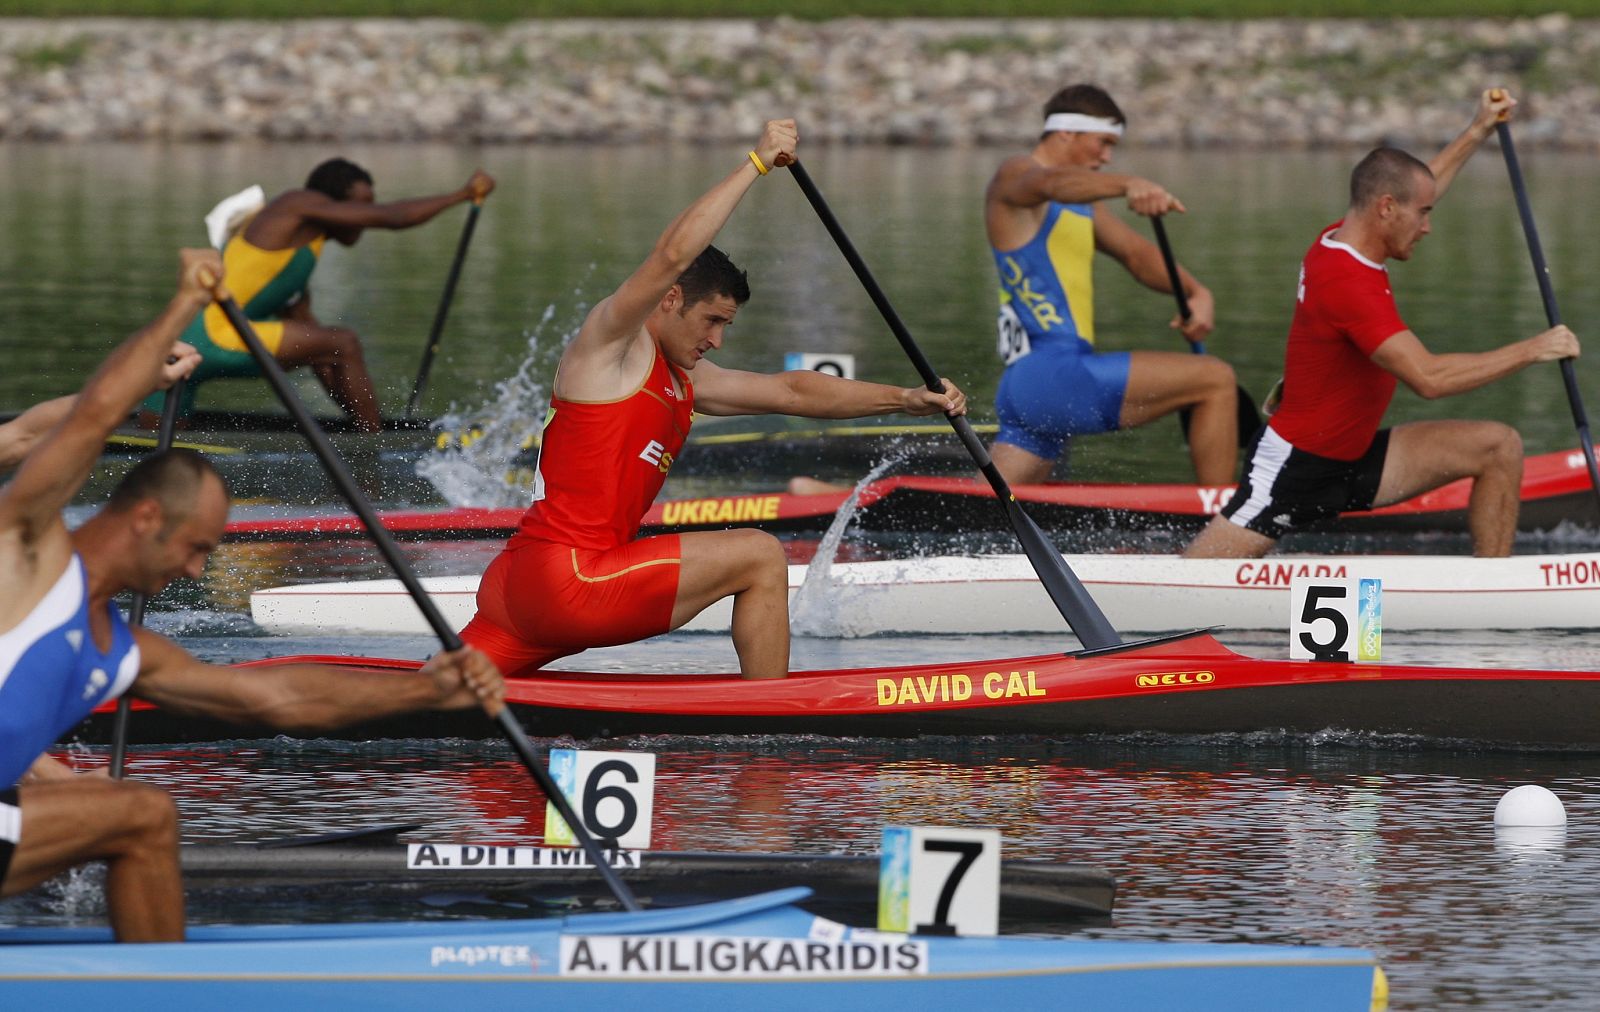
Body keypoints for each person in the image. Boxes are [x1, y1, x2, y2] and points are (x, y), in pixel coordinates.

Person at [0, 249, 506, 942]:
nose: (197, 570)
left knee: (123, 811)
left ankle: (144, 984)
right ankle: (160, 994)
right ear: (147, 519)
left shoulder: (125, 648)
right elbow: (86, 421)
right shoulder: (25, 550)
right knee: (141, 817)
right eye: (197, 548)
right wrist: (183, 304)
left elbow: (277, 698)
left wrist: (428, 690)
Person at [460, 120, 966, 682]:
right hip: (574, 582)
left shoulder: (685, 380)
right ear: (672, 299)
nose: (718, 339)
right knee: (760, 556)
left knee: (421, 698)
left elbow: (790, 390)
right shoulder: (610, 346)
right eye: (713, 321)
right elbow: (672, 254)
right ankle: (772, 718)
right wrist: (755, 162)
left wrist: (904, 398)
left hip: (515, 588)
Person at [1185, 89, 1578, 560]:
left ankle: (1492, 587)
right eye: (1423, 215)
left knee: (1498, 446)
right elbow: (1429, 379)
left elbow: (1419, 189)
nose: (1428, 227)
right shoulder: (1349, 284)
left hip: (1355, 456)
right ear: (1387, 209)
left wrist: (1478, 130)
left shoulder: (1344, 236)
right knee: (1195, 576)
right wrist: (1533, 349)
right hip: (1297, 466)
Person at [984, 83, 1239, 487]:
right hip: (1055, 372)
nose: (1106, 157)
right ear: (1066, 133)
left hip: (1028, 387)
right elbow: (1050, 183)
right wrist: (1128, 184)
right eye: (1102, 143)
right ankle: (1225, 525)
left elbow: (1137, 256)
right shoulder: (1016, 175)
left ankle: (902, 527)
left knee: (985, 515)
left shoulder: (1080, 204)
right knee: (1215, 379)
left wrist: (1196, 292)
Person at [142, 159, 496, 432]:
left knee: (159, 443)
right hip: (213, 336)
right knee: (345, 341)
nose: (363, 218)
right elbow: (393, 216)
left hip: (188, 343)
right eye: (360, 207)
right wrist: (462, 195)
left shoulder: (297, 251)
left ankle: (363, 437)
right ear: (333, 203)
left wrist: (348, 425)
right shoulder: (297, 203)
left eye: (369, 207)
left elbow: (321, 353)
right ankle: (377, 445)